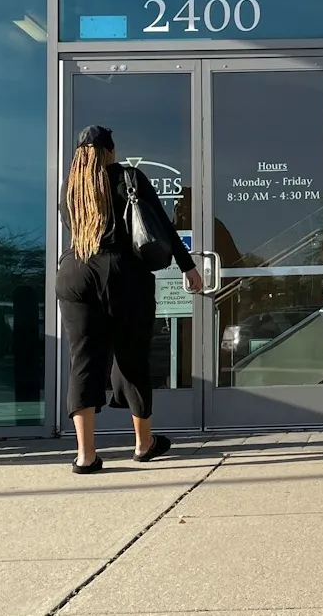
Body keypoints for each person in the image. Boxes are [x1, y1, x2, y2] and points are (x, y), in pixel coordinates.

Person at [59, 126, 202, 474]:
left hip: (75, 272)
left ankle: (85, 455)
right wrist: (188, 266)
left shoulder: (71, 188)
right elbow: (161, 226)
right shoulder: (128, 177)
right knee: (132, 356)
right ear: (110, 150)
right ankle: (143, 444)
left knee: (84, 361)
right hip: (124, 273)